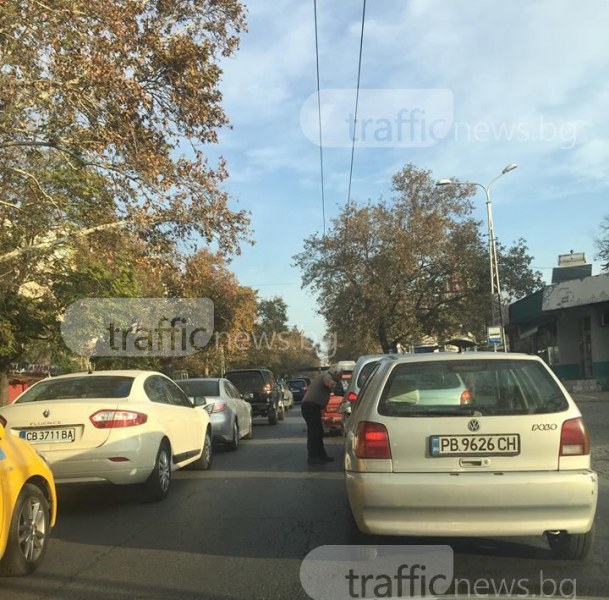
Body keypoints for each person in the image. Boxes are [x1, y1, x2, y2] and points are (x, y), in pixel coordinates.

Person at [301, 365, 342, 465]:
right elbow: (327, 381)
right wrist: (332, 384)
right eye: (340, 375)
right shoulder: (327, 376)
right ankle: (313, 456)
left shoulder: (325, 375)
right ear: (335, 373)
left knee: (318, 431)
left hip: (312, 407)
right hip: (310, 407)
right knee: (314, 432)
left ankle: (321, 455)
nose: (340, 377)